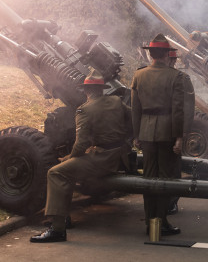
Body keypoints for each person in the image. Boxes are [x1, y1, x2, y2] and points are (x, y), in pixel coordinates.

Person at [30, 70, 132, 243]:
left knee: (56, 172)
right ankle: (63, 216)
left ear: (86, 90)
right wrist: (127, 140)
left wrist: (69, 157)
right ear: (101, 89)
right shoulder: (116, 101)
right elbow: (133, 119)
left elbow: (81, 144)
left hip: (102, 160)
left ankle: (57, 229)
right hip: (119, 156)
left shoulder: (84, 110)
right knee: (68, 171)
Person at [131, 33, 185, 236]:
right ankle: (160, 222)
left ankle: (150, 223)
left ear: (152, 54)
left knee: (148, 178)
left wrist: (136, 135)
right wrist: (179, 137)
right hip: (166, 133)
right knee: (165, 179)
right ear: (165, 54)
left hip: (146, 131)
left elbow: (135, 109)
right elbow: (178, 110)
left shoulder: (139, 75)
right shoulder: (175, 77)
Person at [166, 49, 195, 216]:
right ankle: (169, 203)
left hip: (156, 131)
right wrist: (183, 133)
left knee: (161, 168)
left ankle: (164, 204)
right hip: (171, 129)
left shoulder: (145, 74)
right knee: (172, 167)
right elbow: (188, 108)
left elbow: (188, 108)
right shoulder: (182, 79)